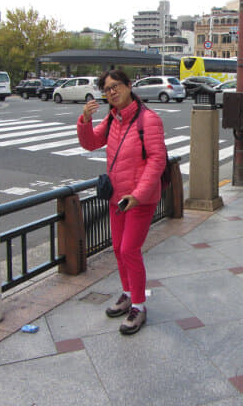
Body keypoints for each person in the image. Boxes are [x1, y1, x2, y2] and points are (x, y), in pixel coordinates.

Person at [77, 69, 167, 335]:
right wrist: (84, 120)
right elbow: (91, 143)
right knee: (117, 248)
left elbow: (157, 160)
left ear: (129, 86)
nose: (112, 92)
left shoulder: (148, 120)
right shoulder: (113, 118)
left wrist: (137, 195)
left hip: (139, 199)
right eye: (107, 89)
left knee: (129, 249)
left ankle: (139, 305)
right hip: (117, 197)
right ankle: (127, 293)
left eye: (116, 86)